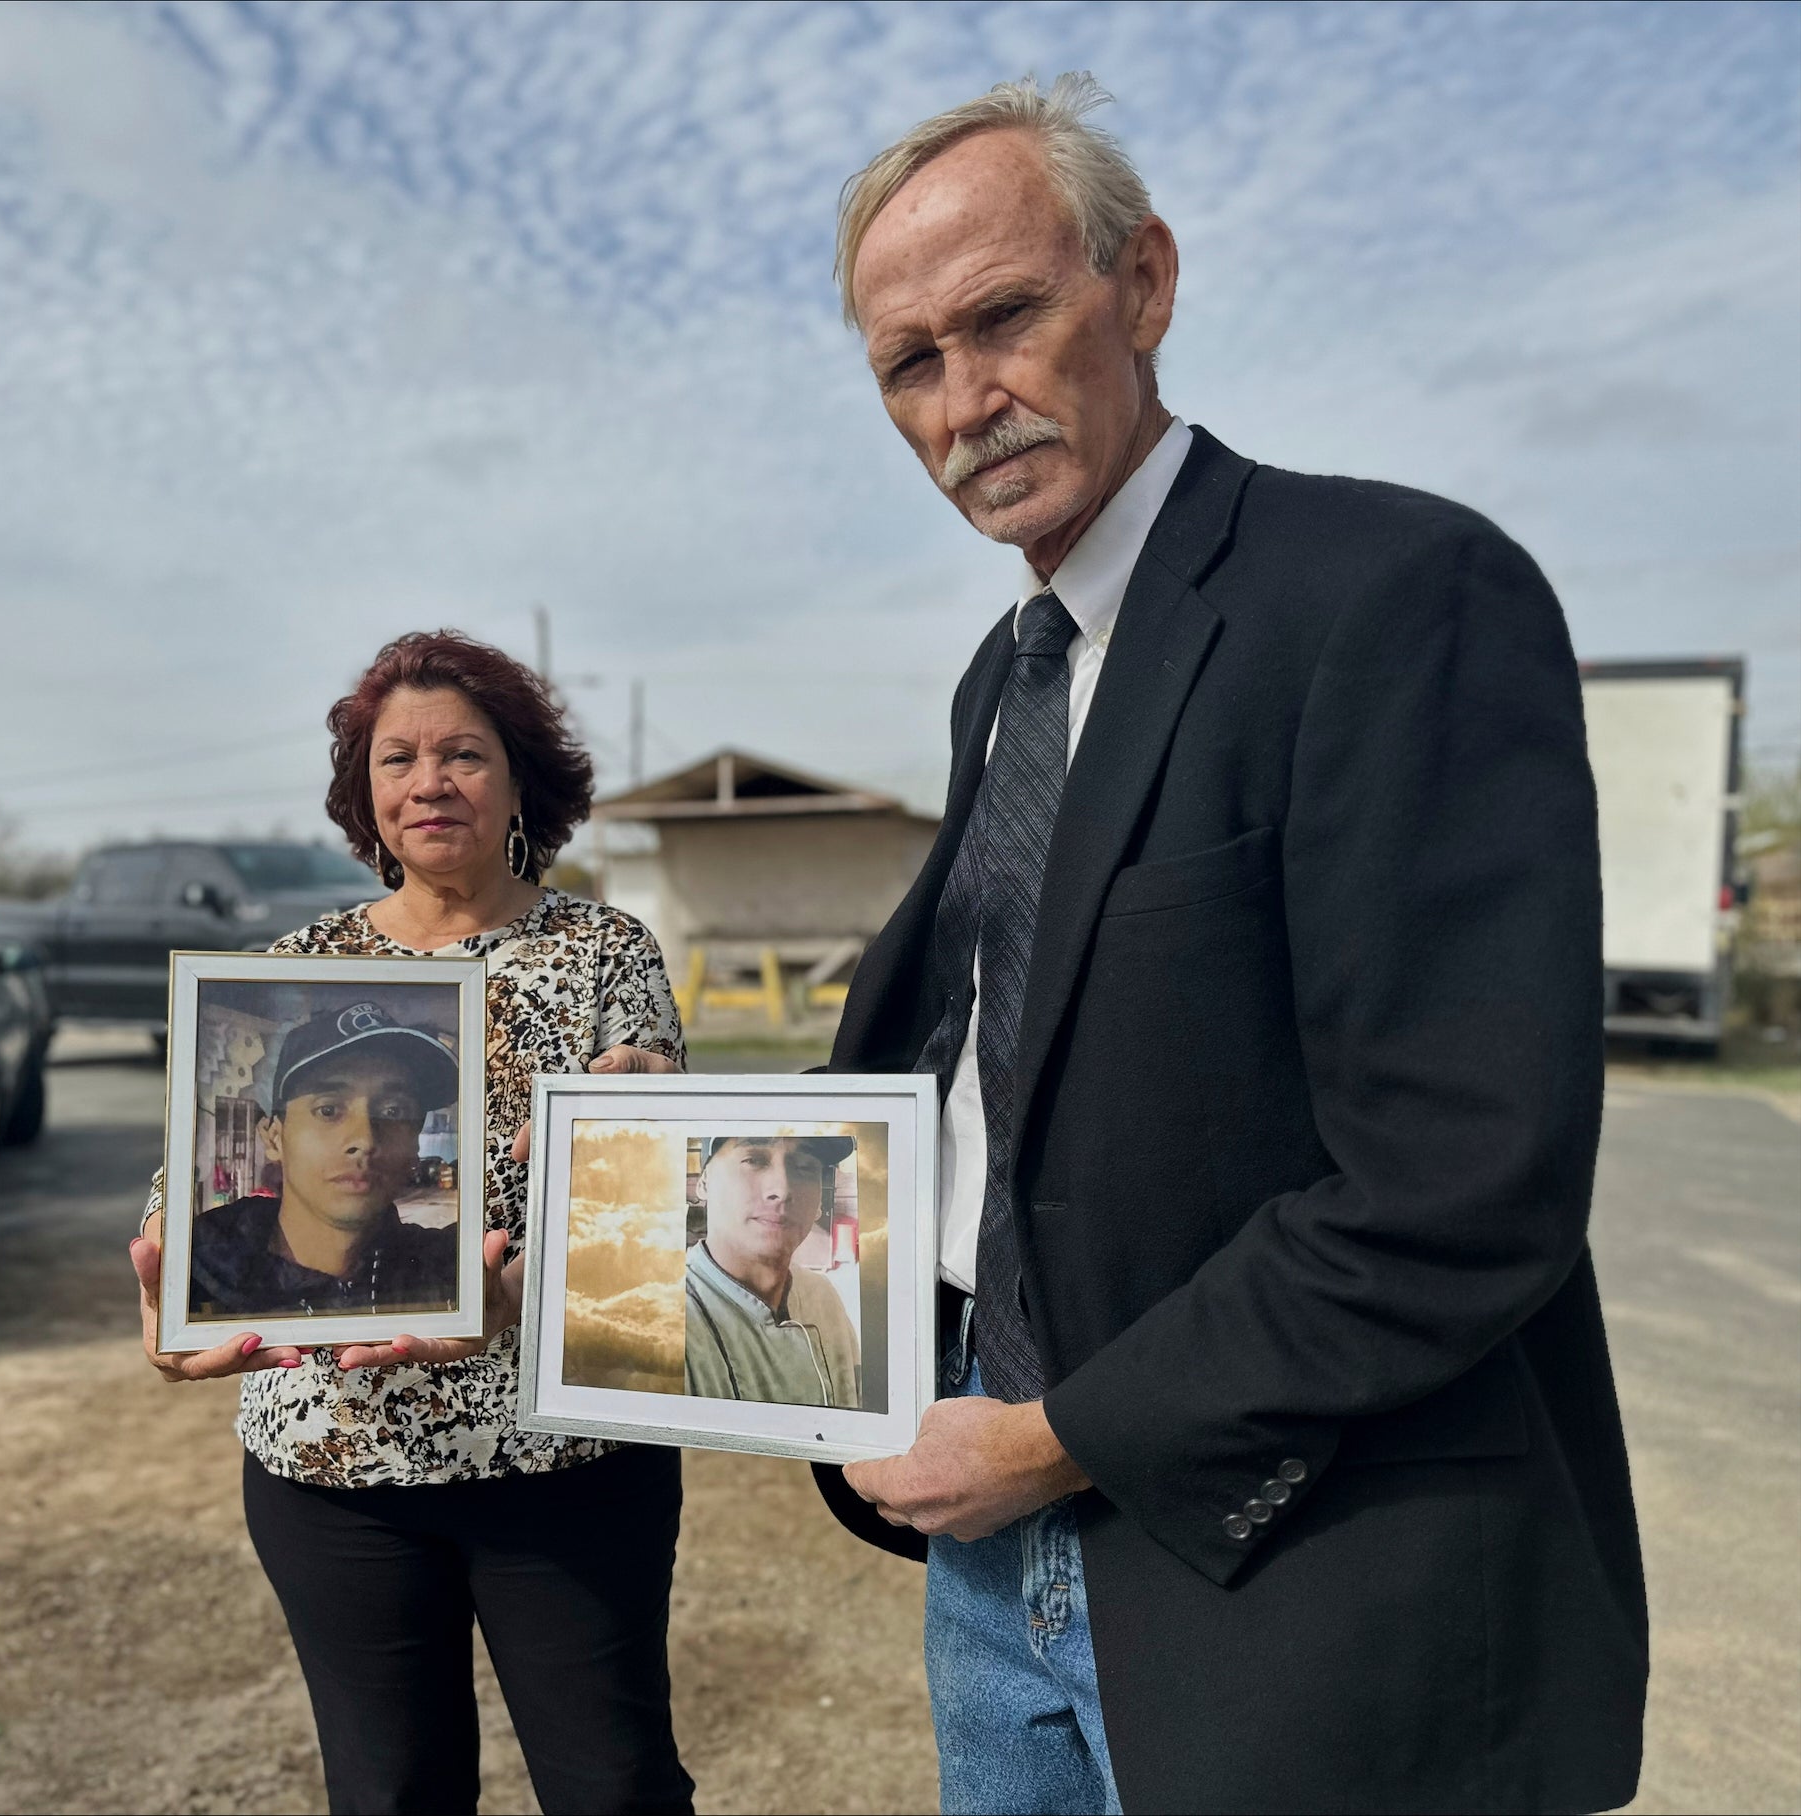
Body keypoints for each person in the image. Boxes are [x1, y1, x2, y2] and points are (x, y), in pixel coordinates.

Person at [815, 73, 1645, 1815]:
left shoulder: (1393, 591)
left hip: (1290, 1585)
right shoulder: (1007, 677)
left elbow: (1458, 1183)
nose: (969, 399)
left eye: (1006, 315)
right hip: (994, 1573)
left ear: (1146, 283)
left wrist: (1056, 1442)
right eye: (912, 362)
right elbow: (981, 1085)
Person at [129, 629, 697, 1815]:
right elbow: (181, 1191)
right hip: (334, 1473)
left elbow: (640, 1225)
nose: (427, 782)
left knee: (616, 1786)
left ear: (520, 780)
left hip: (567, 1462)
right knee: (389, 1792)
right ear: (365, 793)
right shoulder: (294, 965)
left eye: (462, 754)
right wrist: (171, 1289)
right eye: (396, 759)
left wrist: (635, 1121)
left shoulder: (601, 953)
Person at [185, 998, 461, 1320]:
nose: (365, 1140)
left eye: (393, 1112)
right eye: (328, 1110)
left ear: (415, 1145)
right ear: (274, 1138)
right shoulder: (202, 1269)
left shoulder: (448, 1273)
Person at [683, 1135, 861, 1409]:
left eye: (804, 1167)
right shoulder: (671, 1321)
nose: (783, 1188)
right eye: (754, 1160)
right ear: (705, 1181)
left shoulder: (823, 1297)